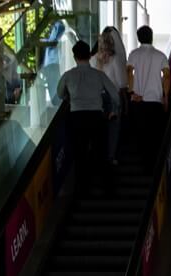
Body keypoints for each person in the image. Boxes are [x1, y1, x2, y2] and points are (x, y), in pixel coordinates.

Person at [58, 40, 120, 191]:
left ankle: (82, 187)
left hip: (76, 117)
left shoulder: (68, 76)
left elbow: (60, 94)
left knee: (79, 153)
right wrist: (114, 110)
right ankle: (107, 187)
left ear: (74, 57)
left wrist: (70, 97)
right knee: (101, 152)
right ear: (89, 55)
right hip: (96, 117)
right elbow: (115, 95)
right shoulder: (99, 75)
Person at [126, 25, 170, 170]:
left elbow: (129, 72)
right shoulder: (160, 55)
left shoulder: (134, 54)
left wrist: (131, 92)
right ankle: (154, 166)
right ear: (151, 37)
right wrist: (166, 97)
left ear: (138, 38)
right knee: (155, 134)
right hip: (155, 101)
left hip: (138, 101)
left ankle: (143, 163)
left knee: (141, 133)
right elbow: (167, 76)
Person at [94, 26, 127, 163]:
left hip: (97, 98)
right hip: (113, 97)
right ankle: (111, 156)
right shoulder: (115, 59)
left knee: (100, 128)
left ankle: (99, 156)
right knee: (113, 128)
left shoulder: (93, 59)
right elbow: (121, 82)